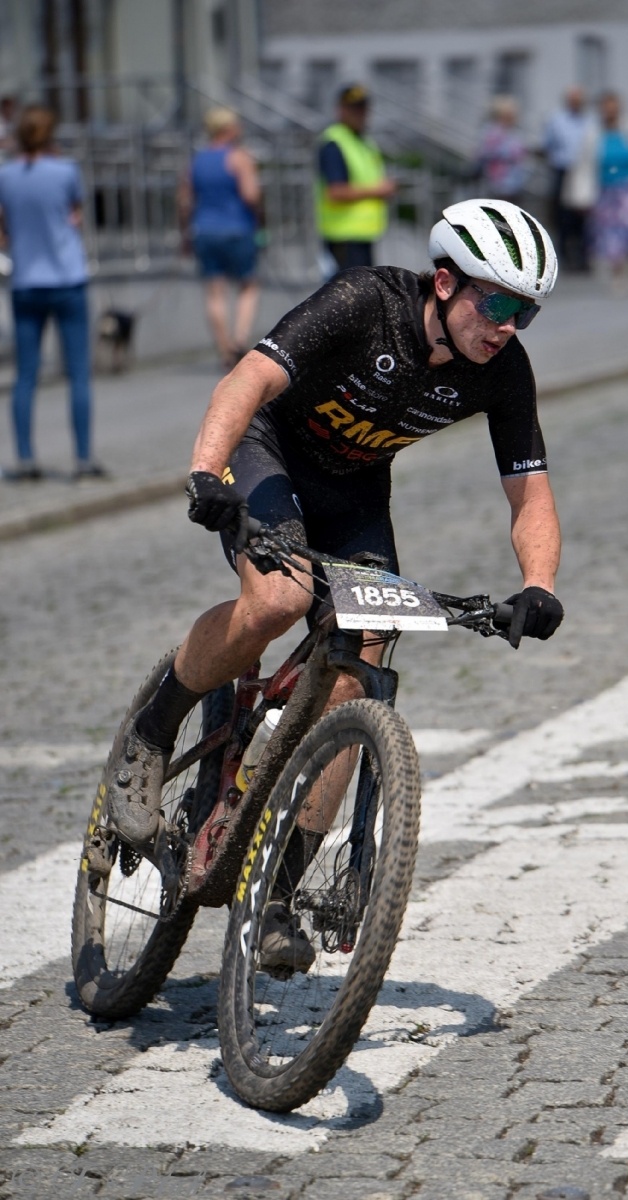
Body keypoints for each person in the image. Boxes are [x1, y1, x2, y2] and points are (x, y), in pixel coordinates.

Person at [105, 198, 565, 973]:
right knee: (278, 601)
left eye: (526, 312)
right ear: (445, 283)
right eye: (496, 304)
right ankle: (151, 734)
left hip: (352, 495)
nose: (508, 325)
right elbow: (247, 379)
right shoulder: (363, 302)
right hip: (266, 454)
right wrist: (205, 472)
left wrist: (538, 583)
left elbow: (531, 492)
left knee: (362, 662)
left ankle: (276, 897)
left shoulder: (502, 370)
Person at [0, 104, 105, 481]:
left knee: (26, 375)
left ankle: (26, 460)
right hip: (66, 279)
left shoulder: (6, 175)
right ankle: (83, 460)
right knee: (78, 374)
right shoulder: (65, 170)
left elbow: (4, 227)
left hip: (26, 280)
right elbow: (74, 214)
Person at [178, 108, 262, 371]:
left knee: (215, 292)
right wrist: (261, 217)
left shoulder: (197, 161)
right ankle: (239, 340)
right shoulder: (239, 157)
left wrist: (185, 234)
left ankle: (225, 350)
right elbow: (250, 195)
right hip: (238, 229)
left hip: (204, 230)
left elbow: (184, 201)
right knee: (248, 286)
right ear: (229, 129)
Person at [315, 83, 396, 277]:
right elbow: (335, 191)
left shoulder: (363, 141)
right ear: (341, 110)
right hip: (343, 235)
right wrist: (377, 190)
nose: (360, 114)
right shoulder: (334, 142)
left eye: (362, 108)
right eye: (354, 108)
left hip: (361, 234)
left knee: (362, 290)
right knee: (348, 292)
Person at [583, 91, 628, 287]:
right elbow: (586, 165)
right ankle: (617, 273)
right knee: (610, 235)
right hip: (606, 190)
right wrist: (584, 194)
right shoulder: (594, 133)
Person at [541, 87, 591, 272]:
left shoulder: (589, 121)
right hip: (563, 170)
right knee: (563, 217)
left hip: (583, 172)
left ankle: (583, 255)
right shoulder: (557, 120)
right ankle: (564, 255)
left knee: (583, 218)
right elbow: (548, 145)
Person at [472, 95, 530, 207]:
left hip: (514, 183)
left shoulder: (514, 133)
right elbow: (485, 153)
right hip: (497, 182)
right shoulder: (492, 132)